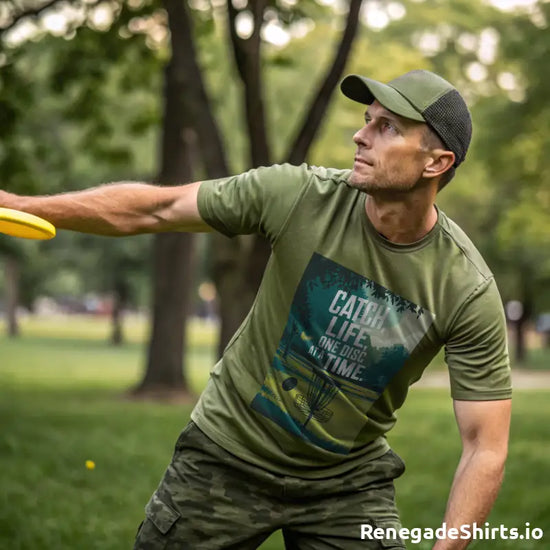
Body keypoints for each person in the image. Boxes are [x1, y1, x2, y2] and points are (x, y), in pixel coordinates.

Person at [0, 70, 512, 549]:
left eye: (387, 127)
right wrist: (23, 204)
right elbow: (158, 207)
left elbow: (483, 446)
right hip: (227, 456)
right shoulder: (298, 196)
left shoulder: (464, 287)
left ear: (435, 163)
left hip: (346, 482)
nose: (361, 136)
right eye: (366, 121)